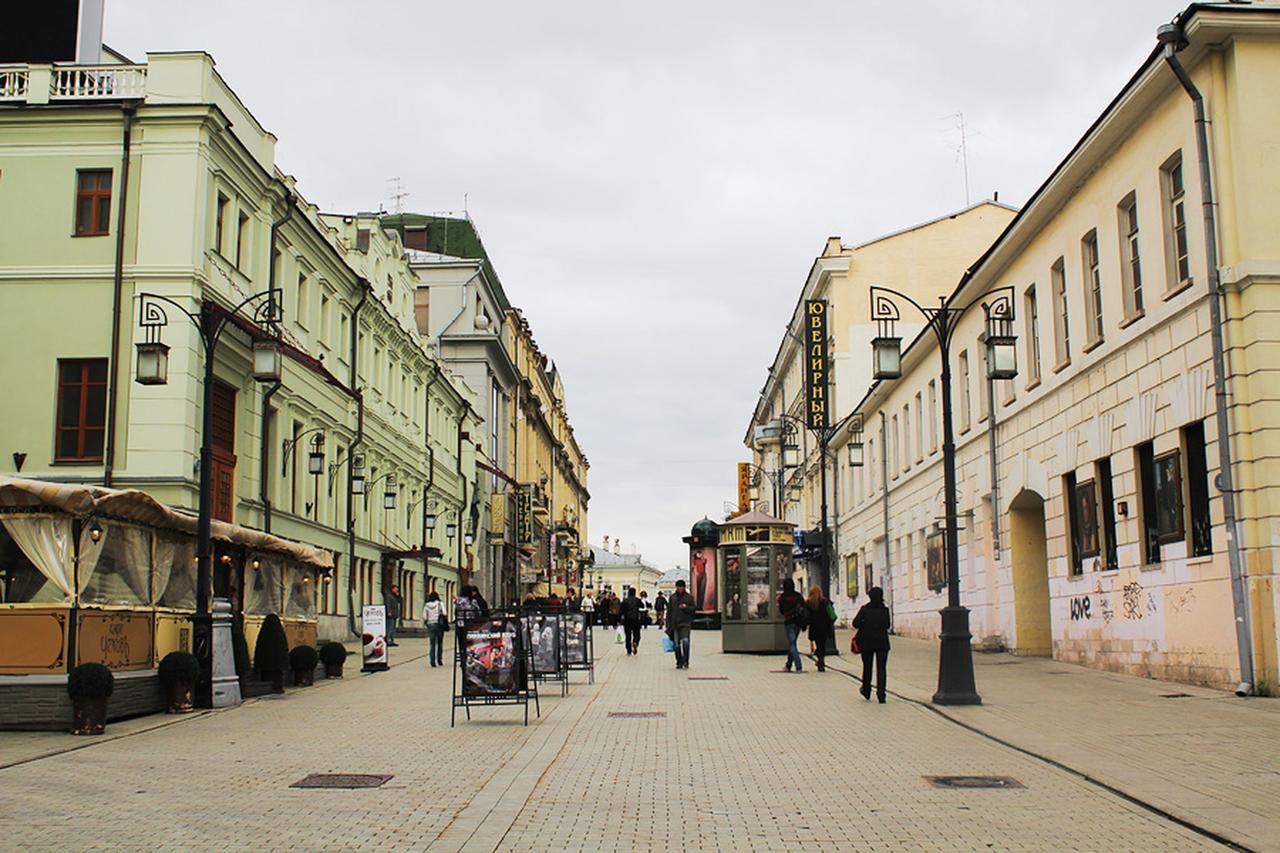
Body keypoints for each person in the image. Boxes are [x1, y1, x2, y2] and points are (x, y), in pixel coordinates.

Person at [852, 586, 891, 702]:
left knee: (867, 667)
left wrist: (865, 624)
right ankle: (881, 694)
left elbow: (855, 623)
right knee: (881, 668)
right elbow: (888, 625)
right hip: (882, 643)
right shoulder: (885, 610)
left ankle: (867, 690)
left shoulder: (864, 609)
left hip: (867, 642)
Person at [777, 579, 806, 672]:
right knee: (793, 643)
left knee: (792, 644)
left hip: (789, 622)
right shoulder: (798, 596)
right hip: (798, 622)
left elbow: (781, 610)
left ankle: (799, 666)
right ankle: (788, 665)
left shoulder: (782, 597)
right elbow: (804, 608)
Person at [666, 579, 696, 669]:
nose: (680, 589)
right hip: (674, 624)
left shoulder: (689, 597)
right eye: (678, 587)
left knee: (686, 642)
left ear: (684, 587)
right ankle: (679, 661)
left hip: (685, 624)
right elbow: (669, 612)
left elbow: (693, 609)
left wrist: (686, 607)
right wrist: (668, 625)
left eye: (681, 587)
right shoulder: (672, 598)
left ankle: (686, 661)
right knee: (676, 644)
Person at [805, 584, 834, 672]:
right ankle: (821, 660)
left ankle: (820, 660)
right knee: (823, 644)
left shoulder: (808, 603)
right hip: (825, 627)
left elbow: (806, 616)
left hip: (814, 627)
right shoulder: (825, 602)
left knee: (818, 644)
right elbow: (832, 616)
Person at [423, 590, 446, 667]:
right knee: (439, 643)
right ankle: (439, 660)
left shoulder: (426, 605)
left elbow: (424, 616)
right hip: (439, 624)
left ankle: (432, 661)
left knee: (432, 643)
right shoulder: (440, 604)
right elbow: (445, 613)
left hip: (430, 624)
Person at [620, 587, 643, 655]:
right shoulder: (637, 600)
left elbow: (621, 611)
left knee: (628, 635)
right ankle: (635, 642)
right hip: (636, 619)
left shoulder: (625, 601)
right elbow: (642, 606)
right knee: (637, 634)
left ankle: (629, 650)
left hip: (627, 620)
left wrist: (619, 619)